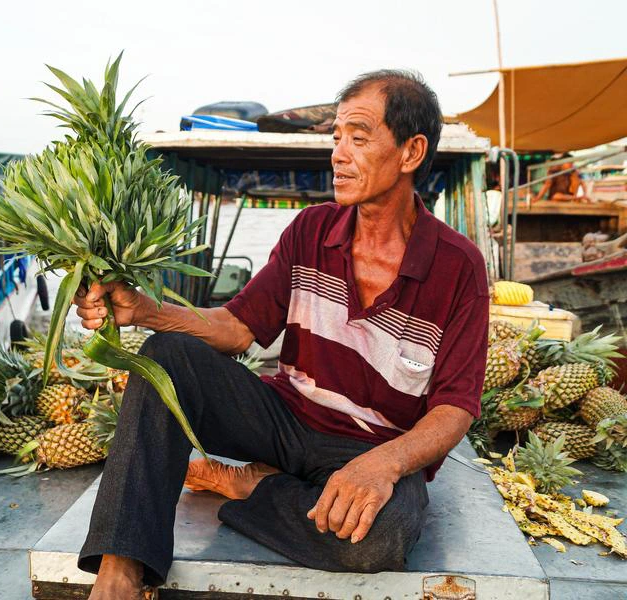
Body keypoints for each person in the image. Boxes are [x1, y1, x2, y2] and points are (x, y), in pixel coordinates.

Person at [73, 70, 489, 600]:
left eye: (358, 138)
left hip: (372, 446)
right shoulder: (310, 231)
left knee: (376, 541)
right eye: (335, 138)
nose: (338, 154)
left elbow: (455, 408)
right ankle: (121, 566)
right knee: (167, 358)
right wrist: (147, 312)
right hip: (284, 421)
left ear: (410, 152)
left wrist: (384, 465)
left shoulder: (459, 268)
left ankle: (254, 486)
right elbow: (238, 328)